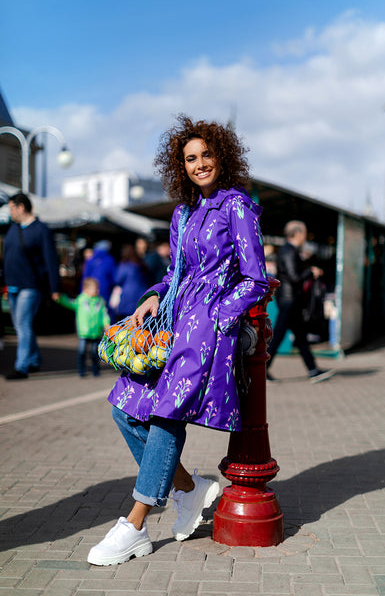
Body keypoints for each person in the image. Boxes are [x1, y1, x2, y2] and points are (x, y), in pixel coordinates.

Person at [87, 115, 270, 567]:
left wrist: (220, 316)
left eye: (207, 154)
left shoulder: (237, 207)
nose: (200, 163)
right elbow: (173, 274)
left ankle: (134, 525)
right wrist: (151, 297)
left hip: (205, 330)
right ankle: (189, 489)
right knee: (124, 408)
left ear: (222, 156)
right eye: (191, 158)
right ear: (180, 166)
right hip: (171, 324)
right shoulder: (183, 212)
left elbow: (256, 279)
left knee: (167, 418)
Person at [266, 220, 334, 383]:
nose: (305, 236)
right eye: (304, 233)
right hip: (289, 301)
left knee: (300, 336)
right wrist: (311, 272)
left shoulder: (289, 251)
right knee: (279, 336)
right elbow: (294, 277)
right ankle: (262, 369)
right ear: (297, 234)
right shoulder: (288, 252)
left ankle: (313, 370)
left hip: (290, 300)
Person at [3, 193, 60, 380]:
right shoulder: (13, 229)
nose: (9, 211)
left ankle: (22, 367)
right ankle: (34, 359)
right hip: (12, 285)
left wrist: (55, 288)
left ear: (21, 207)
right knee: (22, 325)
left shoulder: (41, 230)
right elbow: (8, 257)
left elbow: (51, 260)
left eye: (11, 207)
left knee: (22, 324)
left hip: (31, 286)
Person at [57, 277, 110, 377]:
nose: (97, 291)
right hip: (84, 332)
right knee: (81, 352)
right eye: (95, 289)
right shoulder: (81, 299)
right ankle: (81, 370)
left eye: (97, 288)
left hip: (96, 332)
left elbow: (104, 315)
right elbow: (70, 303)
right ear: (86, 289)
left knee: (94, 353)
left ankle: (96, 370)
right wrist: (60, 298)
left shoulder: (100, 301)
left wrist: (106, 324)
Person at [111, 244, 150, 321]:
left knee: (124, 326)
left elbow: (117, 280)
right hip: (142, 298)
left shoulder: (124, 265)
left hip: (126, 299)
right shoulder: (142, 265)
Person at [81, 240, 116, 308]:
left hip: (89, 289)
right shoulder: (110, 260)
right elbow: (113, 278)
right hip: (104, 290)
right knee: (102, 310)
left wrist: (82, 290)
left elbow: (85, 276)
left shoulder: (90, 259)